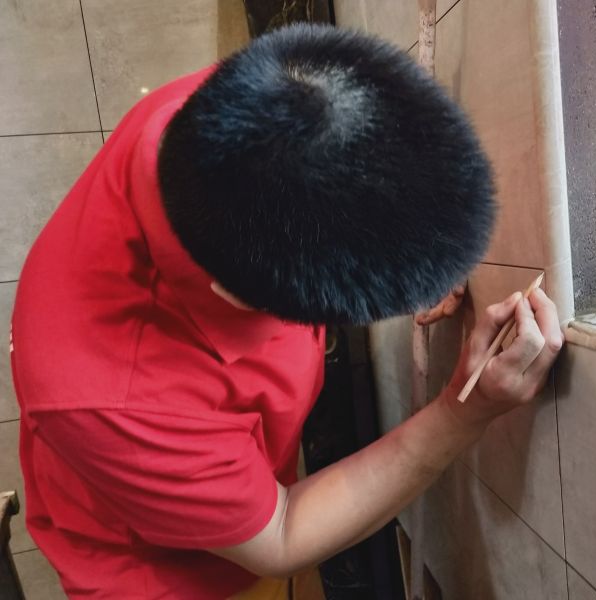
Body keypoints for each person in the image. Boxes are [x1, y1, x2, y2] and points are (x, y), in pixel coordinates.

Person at [10, 24, 563, 598]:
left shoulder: (260, 103)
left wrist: (411, 256)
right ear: (241, 303)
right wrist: (462, 412)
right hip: (177, 577)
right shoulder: (112, 397)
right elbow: (281, 533)